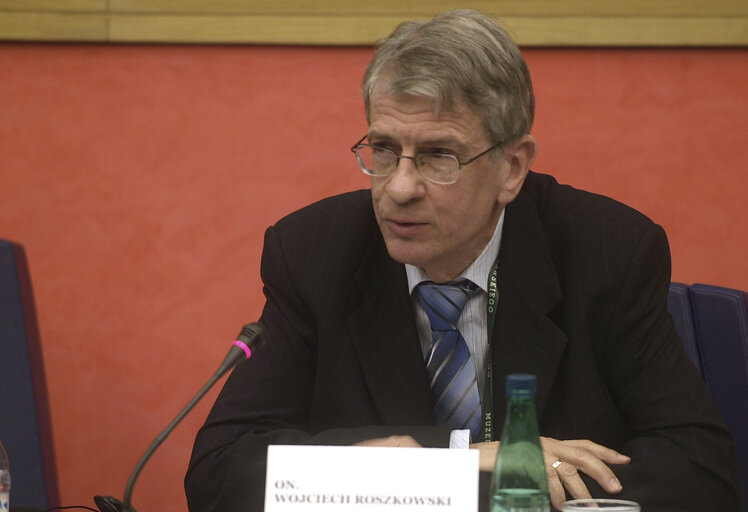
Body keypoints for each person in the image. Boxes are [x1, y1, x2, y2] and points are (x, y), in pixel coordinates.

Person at [185, 9, 739, 512]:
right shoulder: (313, 252)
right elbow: (221, 471)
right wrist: (457, 459)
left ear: (512, 167)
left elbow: (699, 473)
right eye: (382, 149)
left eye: (437, 156)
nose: (399, 187)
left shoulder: (607, 252)